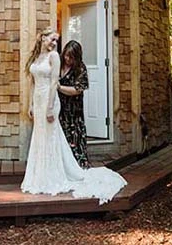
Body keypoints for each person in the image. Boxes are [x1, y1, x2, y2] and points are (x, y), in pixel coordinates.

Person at [20, 27, 126, 204]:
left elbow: (54, 82)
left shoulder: (54, 57)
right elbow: (33, 82)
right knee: (39, 137)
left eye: (56, 41)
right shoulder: (36, 57)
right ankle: (38, 175)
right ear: (42, 37)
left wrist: (49, 107)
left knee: (51, 137)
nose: (54, 44)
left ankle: (53, 175)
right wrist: (31, 104)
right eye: (52, 39)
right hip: (38, 101)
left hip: (49, 100)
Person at [57, 40, 90, 169]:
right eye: (66, 55)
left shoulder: (81, 68)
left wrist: (59, 87)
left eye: (71, 57)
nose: (68, 59)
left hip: (73, 109)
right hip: (59, 107)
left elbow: (78, 89)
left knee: (74, 136)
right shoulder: (58, 63)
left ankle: (77, 166)